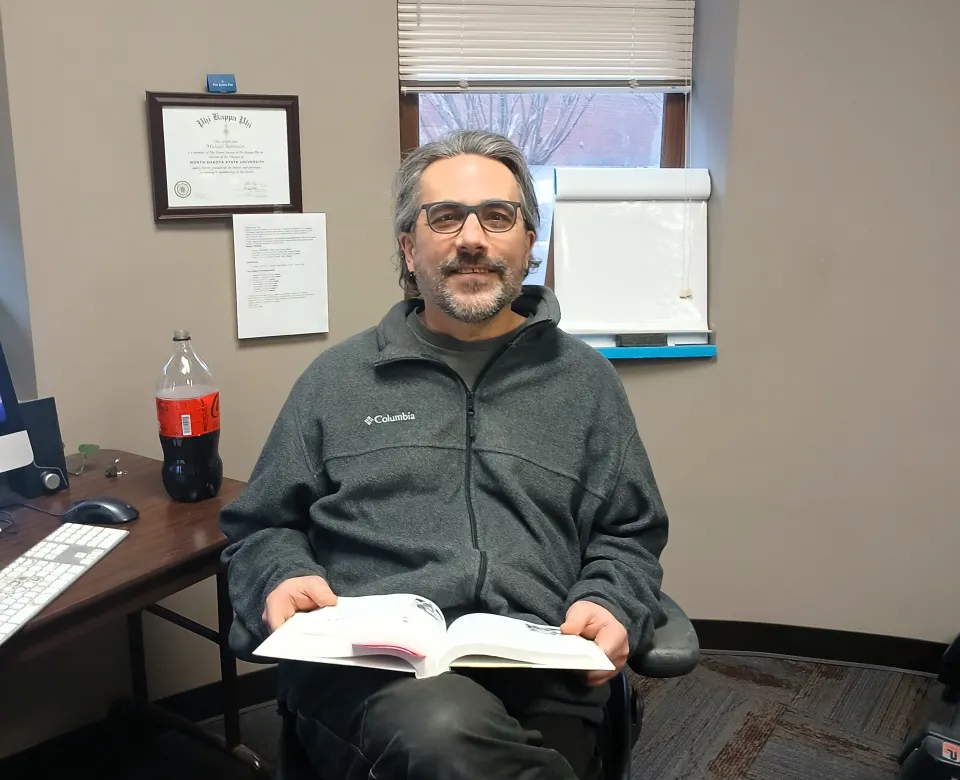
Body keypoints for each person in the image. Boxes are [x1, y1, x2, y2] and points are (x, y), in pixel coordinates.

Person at [219, 129, 669, 780]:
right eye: (445, 217)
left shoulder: (585, 383)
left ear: (528, 243)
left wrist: (612, 599)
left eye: (497, 216)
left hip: (544, 667)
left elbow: (629, 533)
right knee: (442, 738)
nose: (472, 239)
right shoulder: (337, 381)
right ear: (409, 246)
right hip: (369, 670)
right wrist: (278, 576)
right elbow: (260, 527)